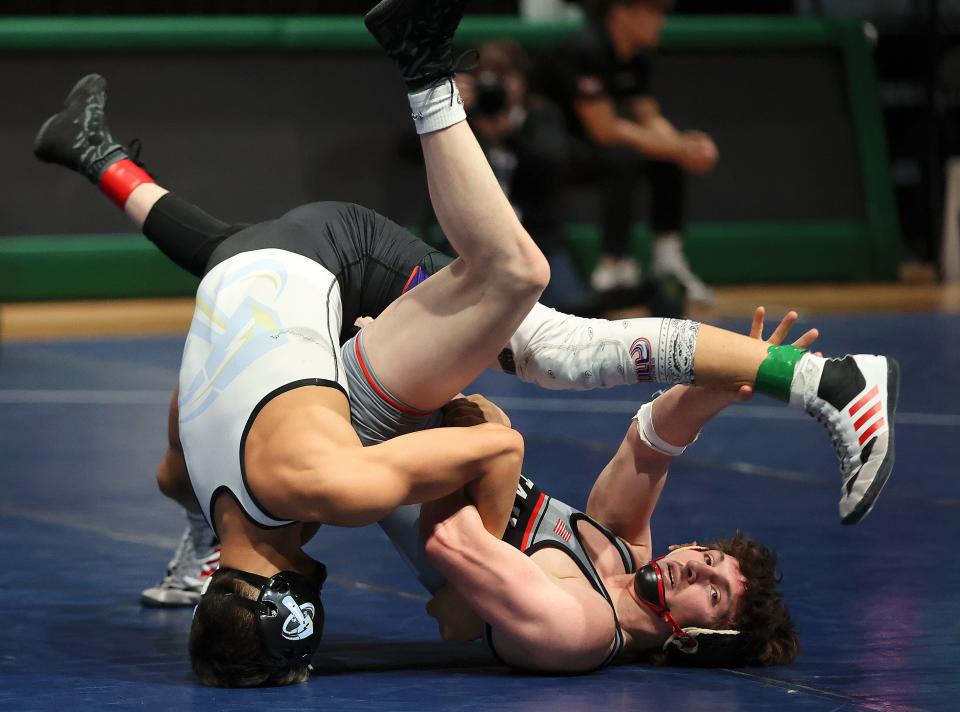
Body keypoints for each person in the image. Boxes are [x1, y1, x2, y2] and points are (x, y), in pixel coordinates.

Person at [34, 0, 898, 686]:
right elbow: (650, 441)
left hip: (375, 390)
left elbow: (469, 512)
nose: (694, 563)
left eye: (710, 587)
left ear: (701, 640)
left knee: (532, 307)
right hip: (280, 326)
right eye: (709, 558)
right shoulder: (620, 558)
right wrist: (715, 385)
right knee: (221, 307)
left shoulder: (579, 627)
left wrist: (464, 437)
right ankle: (96, 153)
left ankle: (828, 374)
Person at [536, 0, 718, 303]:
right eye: (653, 12)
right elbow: (604, 129)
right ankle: (613, 265)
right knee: (625, 157)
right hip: (546, 152)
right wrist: (679, 146)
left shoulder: (637, 55)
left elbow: (648, 116)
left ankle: (667, 261)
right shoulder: (585, 48)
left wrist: (685, 148)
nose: (661, 22)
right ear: (622, 12)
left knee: (662, 157)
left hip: (594, 149)